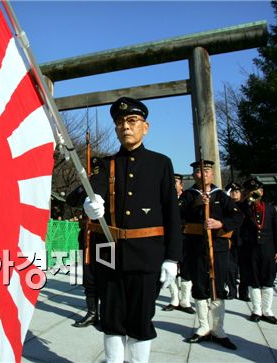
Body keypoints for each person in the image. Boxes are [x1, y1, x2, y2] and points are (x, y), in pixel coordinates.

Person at [82, 97, 182, 363]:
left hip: (147, 252)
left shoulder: (161, 163)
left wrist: (173, 257)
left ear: (145, 127)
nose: (125, 126)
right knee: (112, 316)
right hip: (108, 252)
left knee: (140, 317)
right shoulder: (106, 164)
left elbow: (172, 211)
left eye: (132, 120)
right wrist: (90, 202)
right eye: (120, 122)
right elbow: (94, 188)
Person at [179, 160, 242, 350]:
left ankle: (218, 329)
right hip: (195, 248)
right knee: (199, 286)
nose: (202, 174)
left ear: (212, 174)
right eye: (198, 171)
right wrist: (197, 205)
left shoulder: (221, 196)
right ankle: (203, 327)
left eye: (206, 171)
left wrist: (220, 224)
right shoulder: (188, 196)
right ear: (194, 175)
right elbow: (177, 216)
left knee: (217, 286)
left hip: (218, 248)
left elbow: (237, 217)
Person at [65, 157, 105, 328]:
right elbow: (70, 200)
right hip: (87, 235)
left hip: (104, 236)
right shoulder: (87, 185)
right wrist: (84, 185)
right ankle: (92, 313)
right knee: (89, 276)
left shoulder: (110, 185)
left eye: (96, 170)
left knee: (106, 275)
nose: (94, 173)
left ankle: (105, 313)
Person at [238, 178, 277, 325]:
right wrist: (247, 202)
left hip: (268, 248)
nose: (253, 194)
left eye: (256, 191)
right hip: (251, 249)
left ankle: (267, 310)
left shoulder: (269, 208)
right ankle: (256, 310)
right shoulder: (244, 207)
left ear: (261, 192)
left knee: (268, 280)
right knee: (254, 279)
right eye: (250, 192)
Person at [162, 174, 195, 314]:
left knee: (186, 271)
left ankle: (185, 301)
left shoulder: (188, 198)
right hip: (168, 238)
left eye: (175, 182)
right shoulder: (163, 199)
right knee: (172, 270)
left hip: (186, 238)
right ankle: (174, 300)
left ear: (181, 185)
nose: (173, 184)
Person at [224, 182, 244, 300]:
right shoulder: (226, 206)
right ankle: (232, 291)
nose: (234, 194)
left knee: (245, 269)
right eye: (232, 192)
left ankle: (243, 292)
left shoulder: (245, 205)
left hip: (244, 240)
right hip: (230, 240)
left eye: (237, 192)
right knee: (230, 268)